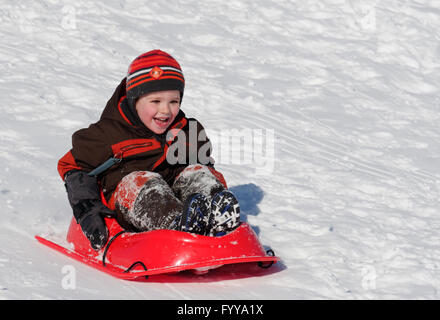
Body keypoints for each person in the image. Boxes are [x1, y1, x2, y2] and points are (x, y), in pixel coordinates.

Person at [58, 49, 241, 250]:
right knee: (141, 181)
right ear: (134, 100)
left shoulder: (188, 131)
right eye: (155, 101)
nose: (165, 110)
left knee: (197, 172)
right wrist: (87, 208)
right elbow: (71, 166)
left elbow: (206, 165)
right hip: (131, 204)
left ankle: (216, 216)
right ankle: (176, 224)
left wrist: (206, 180)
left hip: (180, 198)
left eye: (174, 101)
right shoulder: (107, 134)